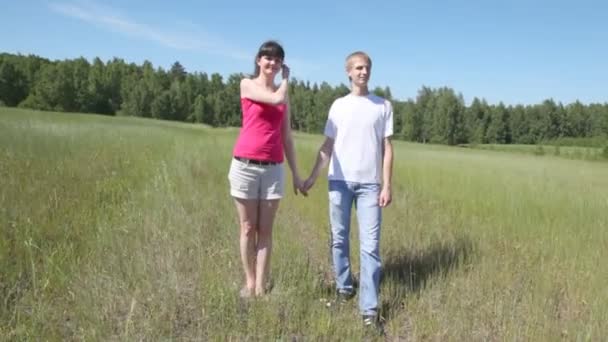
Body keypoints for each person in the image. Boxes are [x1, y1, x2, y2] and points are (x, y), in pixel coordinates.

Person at [303, 51, 393, 331]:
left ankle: (368, 310)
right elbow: (327, 146)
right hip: (339, 183)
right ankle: (344, 288)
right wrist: (311, 178)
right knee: (339, 239)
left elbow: (387, 148)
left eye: (366, 67)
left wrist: (386, 185)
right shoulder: (338, 106)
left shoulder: (382, 105)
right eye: (358, 68)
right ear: (348, 72)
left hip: (370, 186)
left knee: (370, 247)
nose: (363, 72)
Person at [228, 40, 306, 298]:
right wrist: (287, 80)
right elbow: (275, 97)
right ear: (258, 61)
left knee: (266, 230)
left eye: (277, 59)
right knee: (248, 228)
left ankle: (261, 286)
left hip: (273, 169)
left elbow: (287, 137)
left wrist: (296, 173)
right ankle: (249, 283)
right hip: (245, 166)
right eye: (267, 58)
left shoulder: (284, 96)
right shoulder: (246, 84)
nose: (272, 63)